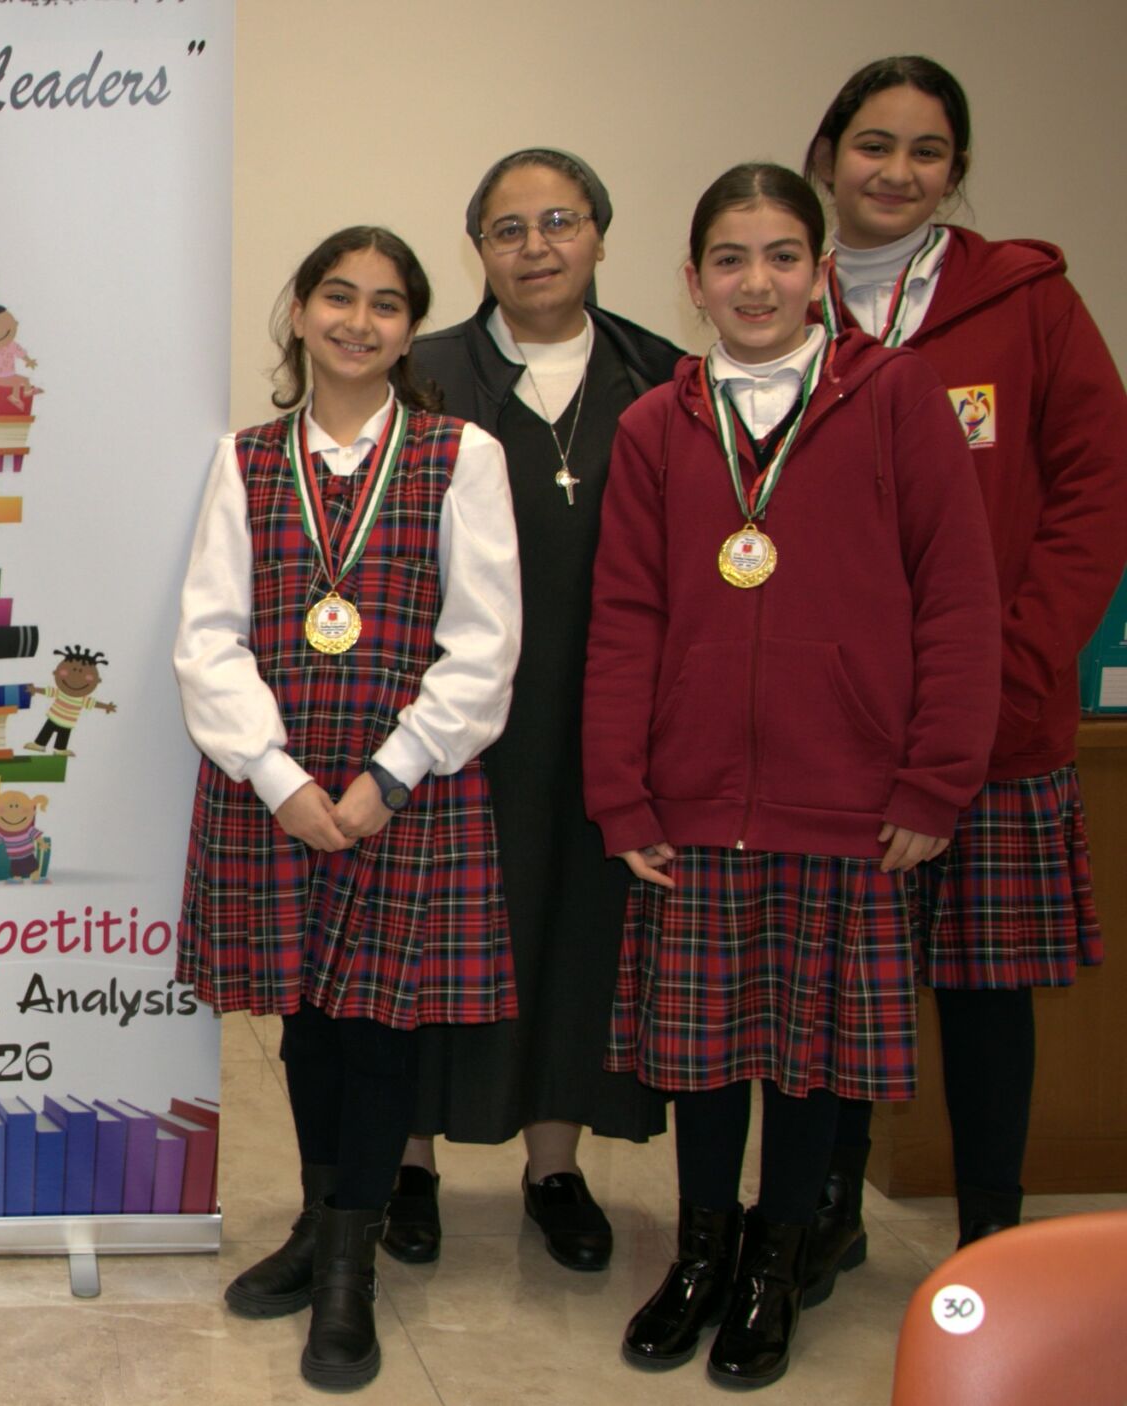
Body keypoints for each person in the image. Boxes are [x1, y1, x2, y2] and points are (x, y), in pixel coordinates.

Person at [588, 162, 997, 1389]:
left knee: (811, 1055)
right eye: (729, 258)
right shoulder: (655, 425)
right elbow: (624, 618)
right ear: (692, 278)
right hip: (695, 798)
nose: (754, 282)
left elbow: (957, 598)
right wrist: (623, 790)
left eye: (779, 256)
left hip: (848, 797)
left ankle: (776, 1258)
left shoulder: (895, 397)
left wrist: (932, 781)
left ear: (819, 271)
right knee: (703, 1050)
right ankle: (700, 1250)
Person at [177, 226, 521, 1391]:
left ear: (410, 328)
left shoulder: (460, 454)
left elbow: (484, 641)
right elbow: (208, 635)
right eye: (337, 296)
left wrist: (391, 773)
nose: (357, 321)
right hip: (281, 786)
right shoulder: (244, 459)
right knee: (308, 1020)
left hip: (401, 786)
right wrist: (276, 777)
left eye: (385, 303)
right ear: (300, 312)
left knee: (378, 1027)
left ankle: (347, 1266)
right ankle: (321, 1219)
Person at [801, 55, 1127, 1274]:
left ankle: (993, 1231)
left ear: (956, 171)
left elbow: (1095, 489)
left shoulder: (1027, 300)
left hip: (995, 719)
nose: (895, 171)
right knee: (837, 984)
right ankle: (825, 1212)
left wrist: (1019, 658)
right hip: (836, 731)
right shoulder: (785, 299)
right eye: (872, 144)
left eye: (926, 151)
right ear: (826, 157)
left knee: (987, 991)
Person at [391, 149, 681, 1272]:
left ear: (601, 233)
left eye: (560, 221)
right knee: (431, 938)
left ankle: (554, 1166)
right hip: (453, 719)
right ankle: (409, 1161)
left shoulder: (662, 378)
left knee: (579, 933)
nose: (536, 247)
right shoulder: (423, 374)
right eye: (508, 229)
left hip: (600, 714)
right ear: (478, 250)